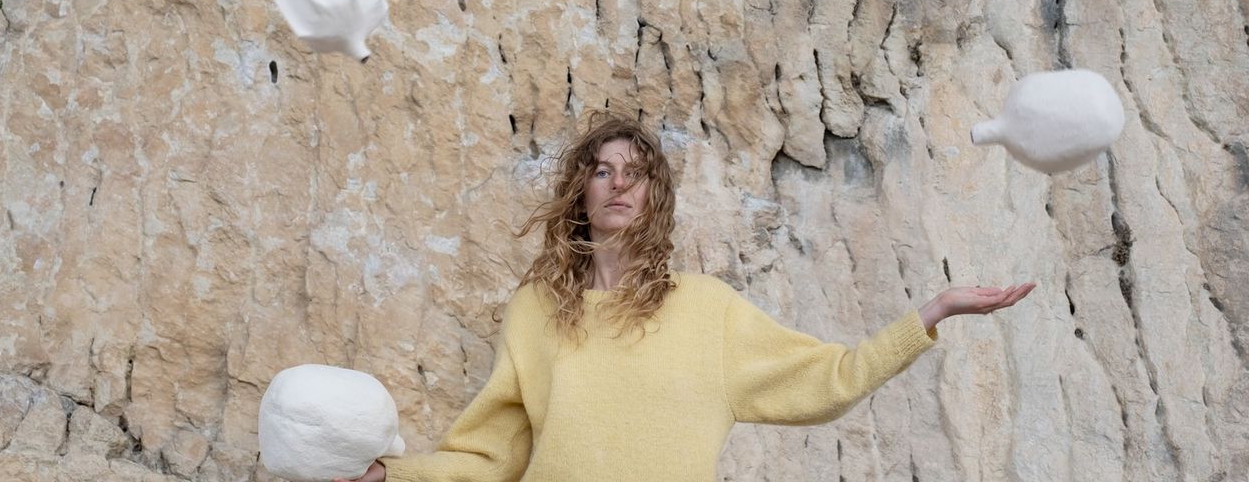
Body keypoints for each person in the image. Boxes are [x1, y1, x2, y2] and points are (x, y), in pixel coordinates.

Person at [339, 113, 1035, 482]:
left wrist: (932, 313)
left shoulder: (708, 310)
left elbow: (832, 379)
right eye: (602, 171)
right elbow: (494, 457)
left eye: (636, 174)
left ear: (655, 197)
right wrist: (393, 478)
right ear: (580, 191)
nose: (619, 185)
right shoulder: (535, 312)